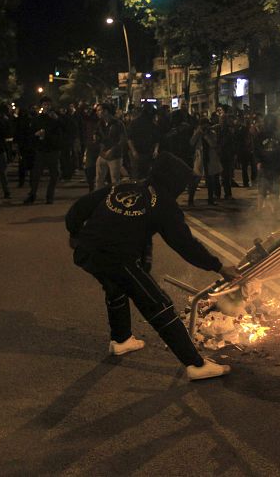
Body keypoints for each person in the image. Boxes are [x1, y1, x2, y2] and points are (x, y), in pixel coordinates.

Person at [65, 151, 240, 380]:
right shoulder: (164, 204)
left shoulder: (126, 185)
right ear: (173, 181)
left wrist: (75, 233)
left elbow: (80, 207)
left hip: (87, 250)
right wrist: (218, 266)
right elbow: (184, 244)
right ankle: (196, 365)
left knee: (115, 287)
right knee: (158, 304)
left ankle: (121, 339)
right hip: (116, 257)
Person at [24, 97, 63, 205]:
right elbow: (31, 134)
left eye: (49, 104)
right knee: (36, 175)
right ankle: (32, 195)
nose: (47, 106)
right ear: (42, 106)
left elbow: (63, 130)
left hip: (53, 150)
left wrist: (58, 119)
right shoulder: (37, 119)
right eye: (45, 104)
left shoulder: (55, 118)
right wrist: (36, 135)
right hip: (41, 150)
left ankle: (50, 196)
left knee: (54, 175)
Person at [255, 114, 280, 213]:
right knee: (262, 188)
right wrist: (258, 161)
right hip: (265, 165)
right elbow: (256, 149)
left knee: (275, 189)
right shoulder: (261, 135)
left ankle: (274, 211)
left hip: (277, 165)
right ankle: (259, 210)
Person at [94, 102, 127, 188]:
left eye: (99, 110)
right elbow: (97, 138)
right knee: (98, 179)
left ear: (106, 111)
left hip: (114, 156)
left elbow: (122, 139)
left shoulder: (118, 123)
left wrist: (112, 150)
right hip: (102, 154)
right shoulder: (100, 124)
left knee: (115, 180)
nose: (97, 112)